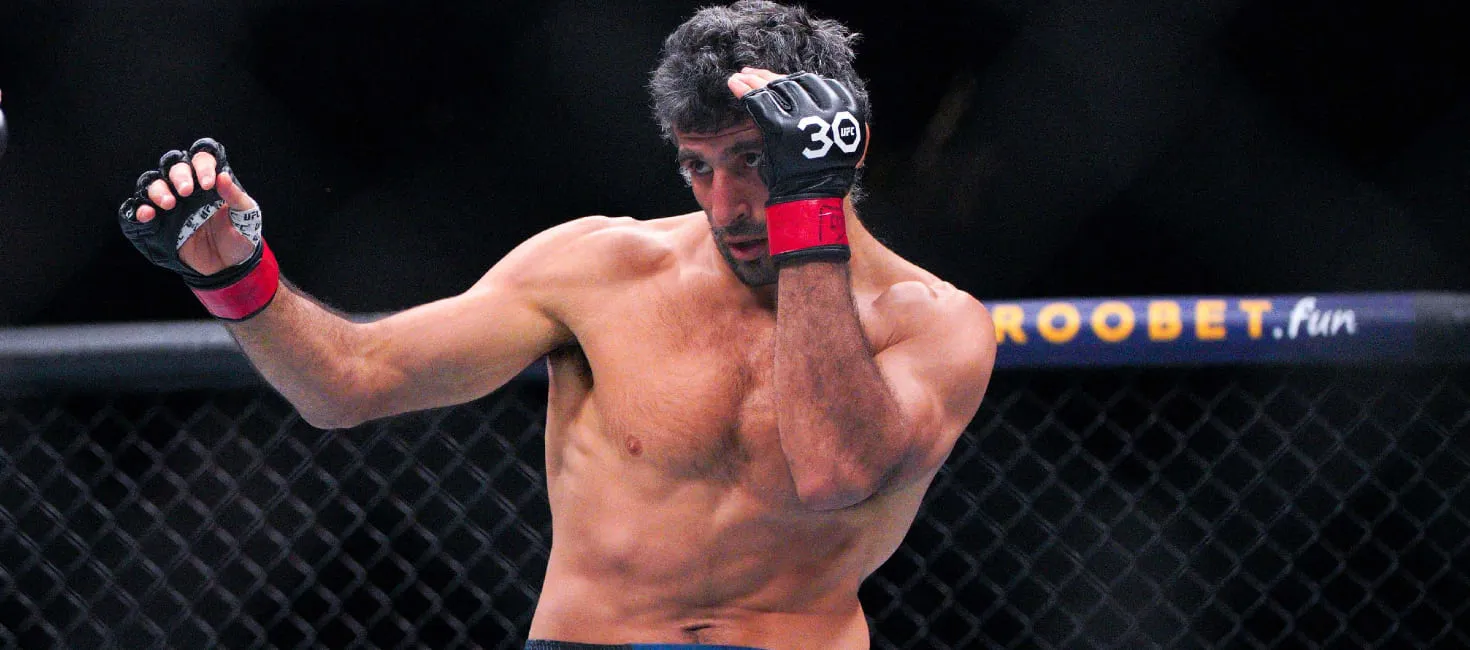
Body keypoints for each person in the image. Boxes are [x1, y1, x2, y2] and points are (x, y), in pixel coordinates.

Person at [116, 2, 996, 648]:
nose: (727, 204)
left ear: (840, 146)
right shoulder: (599, 268)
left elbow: (834, 469)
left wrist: (808, 211)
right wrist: (235, 278)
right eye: (698, 166)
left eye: (755, 161)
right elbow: (351, 383)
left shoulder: (934, 325)